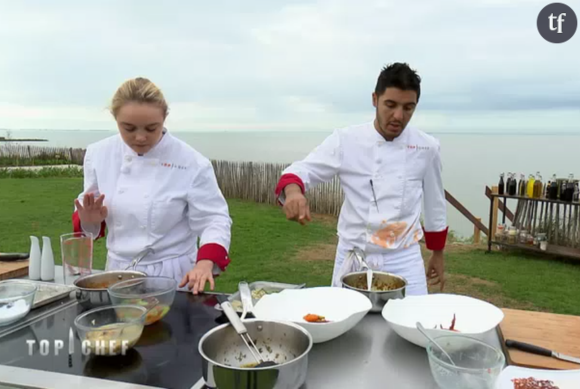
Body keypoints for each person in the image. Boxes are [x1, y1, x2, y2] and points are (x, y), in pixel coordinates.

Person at [274, 63, 447, 296]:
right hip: (353, 255)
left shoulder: (426, 146)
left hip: (404, 257)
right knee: (344, 324)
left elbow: (435, 202)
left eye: (408, 108)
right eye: (390, 105)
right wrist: (294, 192)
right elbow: (302, 170)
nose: (398, 116)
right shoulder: (346, 140)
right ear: (375, 99)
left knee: (413, 325)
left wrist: (437, 253)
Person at [72, 77, 232, 294]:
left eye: (151, 128)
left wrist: (205, 262)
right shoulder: (99, 155)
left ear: (164, 118)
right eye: (128, 128)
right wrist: (89, 221)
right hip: (118, 272)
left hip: (174, 275)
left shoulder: (191, 162)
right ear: (115, 119)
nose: (140, 137)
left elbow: (214, 218)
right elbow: (89, 215)